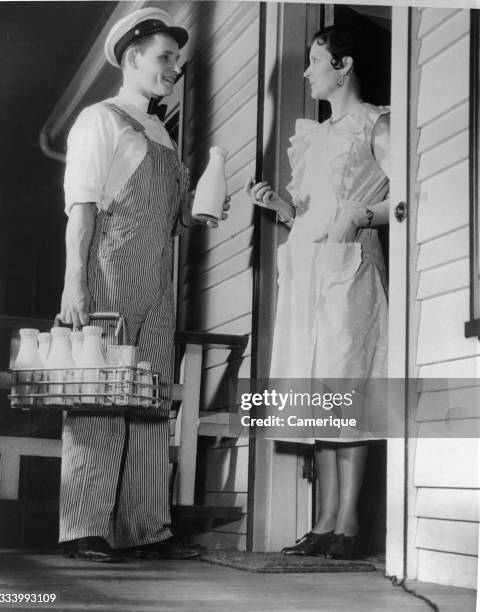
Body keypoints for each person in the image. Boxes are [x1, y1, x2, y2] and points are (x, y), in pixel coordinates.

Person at [59, 8, 229, 562]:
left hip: (158, 281)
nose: (174, 68)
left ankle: (144, 528)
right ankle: (85, 528)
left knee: (151, 401)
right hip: (109, 272)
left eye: (176, 60)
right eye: (165, 57)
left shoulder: (160, 131)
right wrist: (74, 285)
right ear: (132, 58)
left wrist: (201, 209)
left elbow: (173, 217)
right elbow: (81, 212)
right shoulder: (100, 120)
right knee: (99, 396)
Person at [247, 24, 390, 560]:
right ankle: (326, 521)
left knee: (346, 386)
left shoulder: (376, 122)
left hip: (349, 266)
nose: (306, 72)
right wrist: (280, 210)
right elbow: (311, 213)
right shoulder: (316, 133)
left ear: (344, 65)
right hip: (309, 269)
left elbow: (399, 198)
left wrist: (360, 216)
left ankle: (349, 523)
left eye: (315, 60)